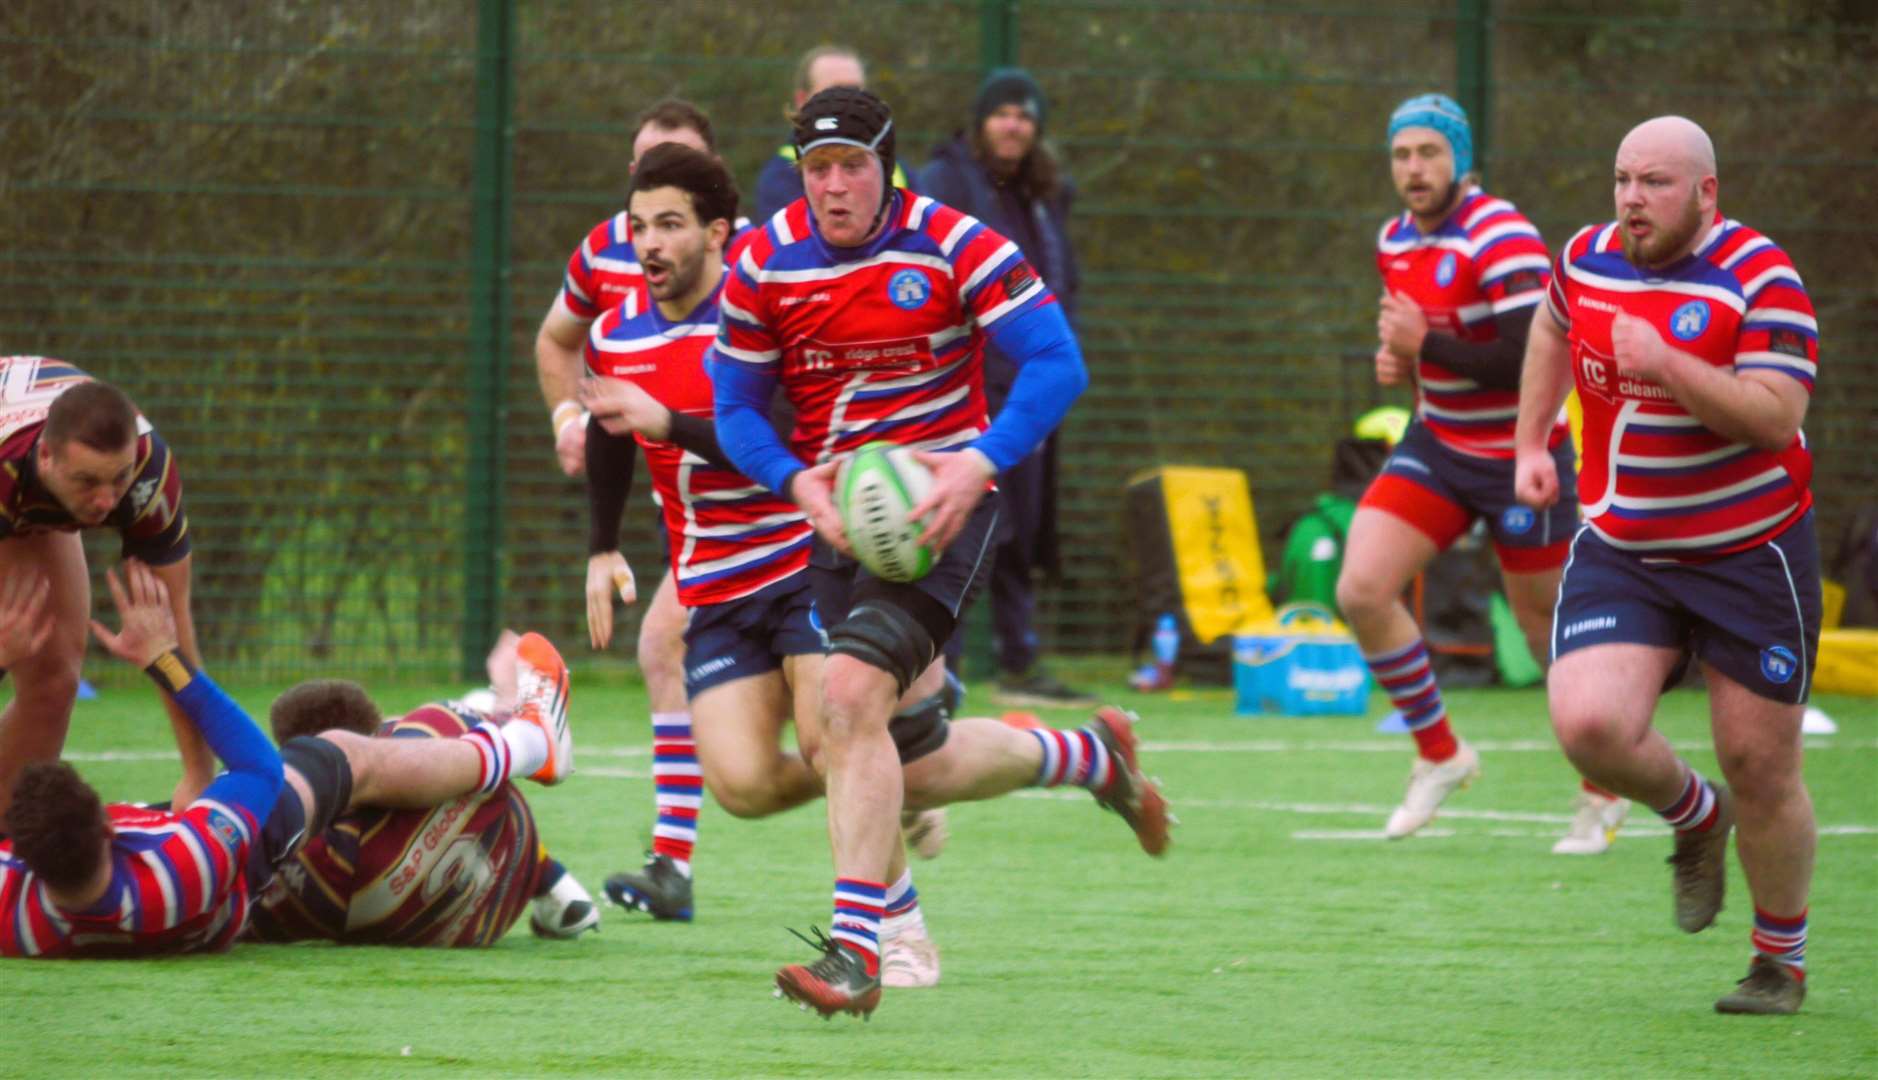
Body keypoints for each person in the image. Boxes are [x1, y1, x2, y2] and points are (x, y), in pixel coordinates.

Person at [713, 87, 1169, 1019]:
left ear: (890, 168)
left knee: (847, 702)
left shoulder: (955, 242)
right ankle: (1089, 759)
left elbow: (1056, 361)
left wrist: (977, 463)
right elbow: (733, 409)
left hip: (941, 524)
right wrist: (797, 482)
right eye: (817, 172)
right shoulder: (763, 260)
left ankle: (861, 951)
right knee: (889, 757)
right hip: (839, 521)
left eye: (853, 169)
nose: (835, 188)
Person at [577, 143, 945, 987]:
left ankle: (903, 932)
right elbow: (609, 433)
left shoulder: (763, 312)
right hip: (714, 586)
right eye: (638, 227)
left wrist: (667, 421)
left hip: (802, 562)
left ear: (717, 233)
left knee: (831, 738)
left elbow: (782, 442)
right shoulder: (616, 328)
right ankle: (893, 779)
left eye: (670, 224)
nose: (649, 244)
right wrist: (603, 547)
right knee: (740, 784)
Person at [1514, 116, 1822, 1015]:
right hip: (1626, 546)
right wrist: (1531, 439)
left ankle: (1779, 962)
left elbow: (1773, 414)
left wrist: (1669, 362)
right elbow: (1549, 322)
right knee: (1588, 725)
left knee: (1759, 762)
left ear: (1706, 192)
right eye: (1621, 179)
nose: (1631, 200)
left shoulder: (1762, 277)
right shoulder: (1586, 257)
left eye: (1653, 183)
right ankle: (1697, 817)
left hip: (1749, 550)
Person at [0, 561, 577, 956]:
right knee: (346, 755)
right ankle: (524, 741)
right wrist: (164, 660)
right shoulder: (188, 861)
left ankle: (550, 869)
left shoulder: (18, 922)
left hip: (204, 885)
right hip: (233, 872)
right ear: (107, 822)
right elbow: (259, 766)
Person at [1332, 94, 1619, 849]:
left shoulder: (1503, 234)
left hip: (1521, 456)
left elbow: (1530, 361)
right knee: (1361, 587)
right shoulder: (1393, 238)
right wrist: (1399, 359)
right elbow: (1424, 349)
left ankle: (1604, 786)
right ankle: (1441, 756)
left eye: (1429, 152)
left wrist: (1426, 345)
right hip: (1439, 447)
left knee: (1542, 628)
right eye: (1402, 155)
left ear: (1460, 159)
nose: (1414, 169)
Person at [528, 98, 730, 912]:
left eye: (679, 163)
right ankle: (673, 865)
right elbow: (559, 341)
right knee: (665, 651)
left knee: (835, 721)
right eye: (646, 164)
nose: (653, 235)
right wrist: (571, 417)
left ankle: (915, 769)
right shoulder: (605, 255)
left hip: (771, 508)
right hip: (684, 506)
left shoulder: (751, 270)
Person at [917, 67, 1092, 709]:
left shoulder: (1047, 193)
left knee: (1022, 525)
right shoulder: (943, 183)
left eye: (1024, 115)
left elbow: (1060, 280)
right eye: (1002, 114)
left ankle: (1021, 659)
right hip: (965, 387)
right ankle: (943, 660)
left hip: (1030, 384)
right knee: (964, 519)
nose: (1013, 125)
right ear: (980, 121)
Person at [245, 659, 600, 946]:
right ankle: (521, 741)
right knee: (433, 731)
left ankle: (513, 734)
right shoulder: (432, 726)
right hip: (510, 862)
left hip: (464, 920)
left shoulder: (321, 862)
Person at [0, 361, 214, 821]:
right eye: (87, 482)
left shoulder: (148, 473)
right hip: (8, 477)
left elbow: (173, 637)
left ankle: (9, 844)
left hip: (26, 489)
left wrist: (199, 775)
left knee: (55, 681)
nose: (106, 502)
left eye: (118, 478)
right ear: (46, 458)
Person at [751, 45, 911, 225]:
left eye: (856, 91)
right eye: (835, 92)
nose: (848, 103)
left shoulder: (896, 164)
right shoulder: (781, 177)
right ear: (802, 100)